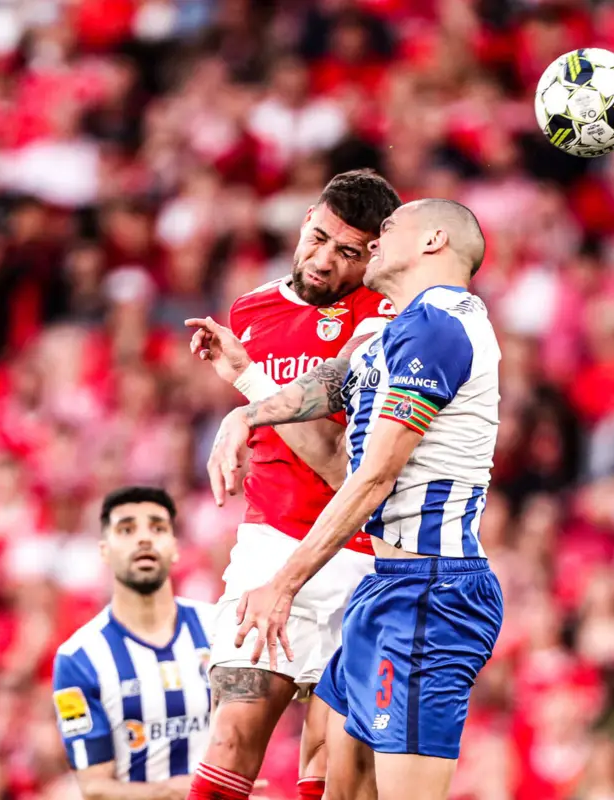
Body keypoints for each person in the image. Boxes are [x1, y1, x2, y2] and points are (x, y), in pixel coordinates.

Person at [195, 198, 501, 800]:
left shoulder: (441, 327)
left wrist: (283, 583)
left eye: (386, 229)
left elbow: (372, 477)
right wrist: (246, 410)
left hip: (432, 596)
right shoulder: (400, 330)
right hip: (389, 589)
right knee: (344, 785)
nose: (372, 241)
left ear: (434, 240)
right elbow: (330, 382)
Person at [184, 169, 402, 800]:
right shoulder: (251, 310)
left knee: (331, 770)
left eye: (348, 252)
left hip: (359, 556)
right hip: (271, 544)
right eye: (319, 237)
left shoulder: (381, 316)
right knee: (232, 736)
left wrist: (250, 388)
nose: (325, 260)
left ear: (374, 257)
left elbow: (344, 468)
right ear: (307, 218)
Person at [51, 486, 215, 800]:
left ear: (175, 547)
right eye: (126, 529)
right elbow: (94, 787)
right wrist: (176, 791)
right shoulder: (78, 658)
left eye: (158, 527)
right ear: (104, 550)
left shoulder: (220, 628)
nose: (144, 538)